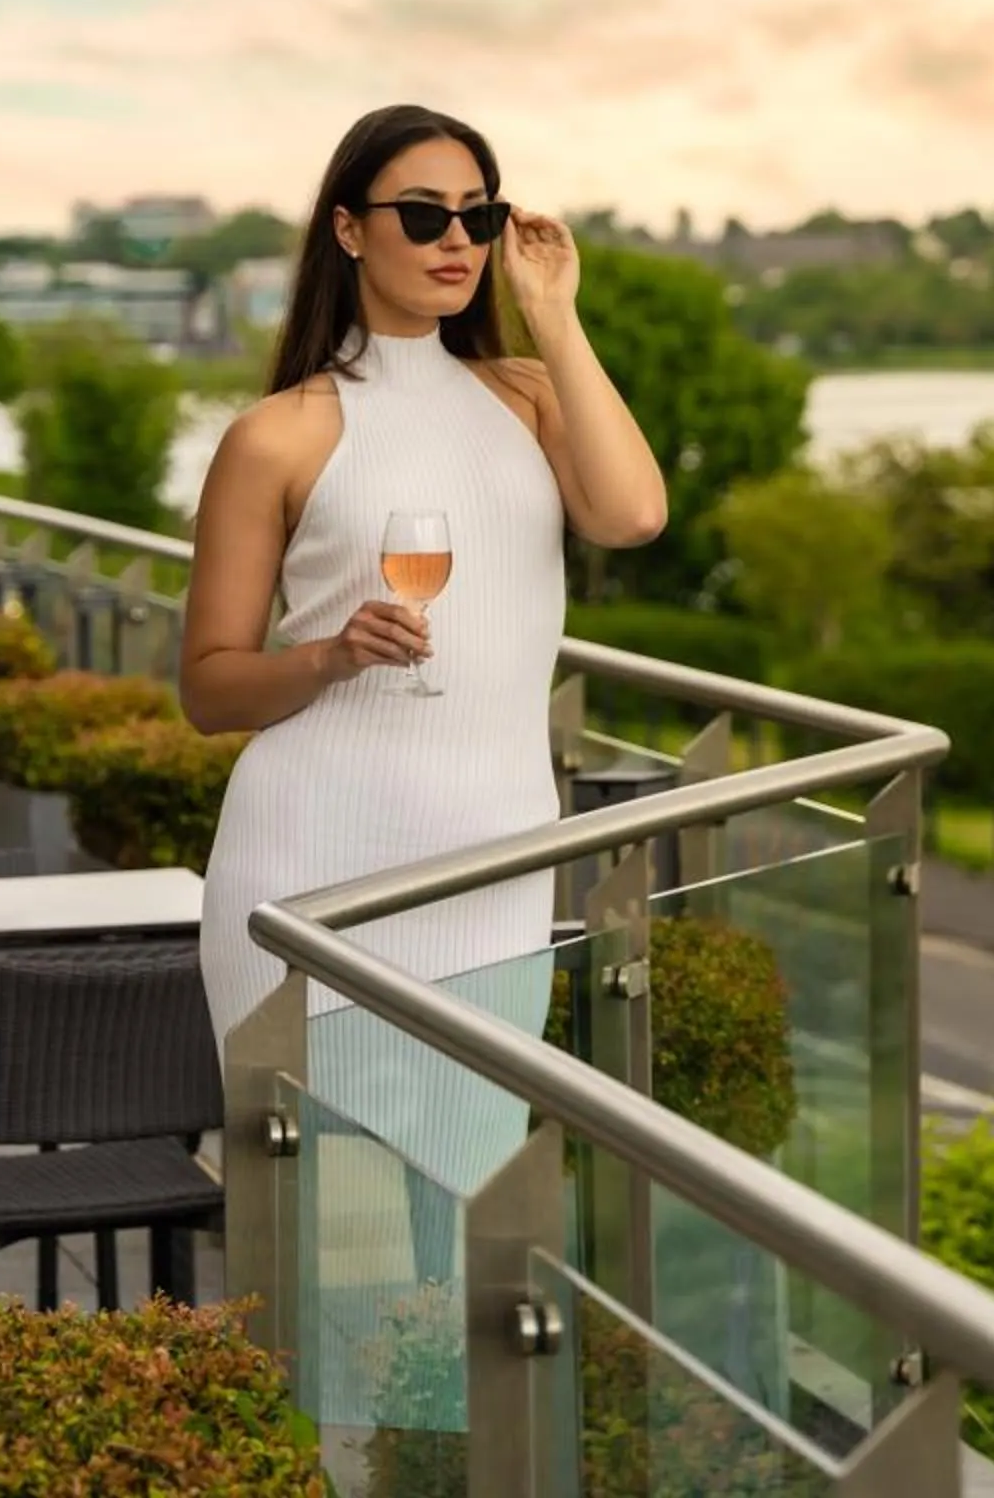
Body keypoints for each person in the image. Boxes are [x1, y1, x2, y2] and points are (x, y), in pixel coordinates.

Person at [182, 105, 664, 1384]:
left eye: (479, 214)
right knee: (330, 1258)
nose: (456, 239)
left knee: (464, 1234)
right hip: (311, 878)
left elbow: (632, 511)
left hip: (493, 872)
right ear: (349, 228)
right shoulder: (279, 432)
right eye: (422, 214)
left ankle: (435, 1465)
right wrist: (334, 651)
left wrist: (554, 310)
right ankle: (321, 1465)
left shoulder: (527, 392)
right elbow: (210, 687)